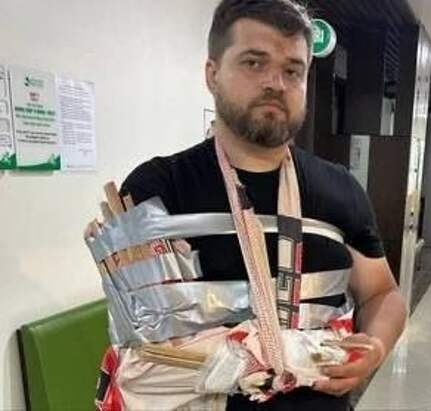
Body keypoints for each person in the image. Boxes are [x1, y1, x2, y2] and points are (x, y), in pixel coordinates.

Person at [119, 0, 407, 409]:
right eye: (254, 63)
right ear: (212, 74)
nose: (275, 83)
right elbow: (140, 345)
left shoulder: (340, 189)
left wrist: (375, 346)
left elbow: (382, 293)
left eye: (293, 70)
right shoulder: (156, 190)